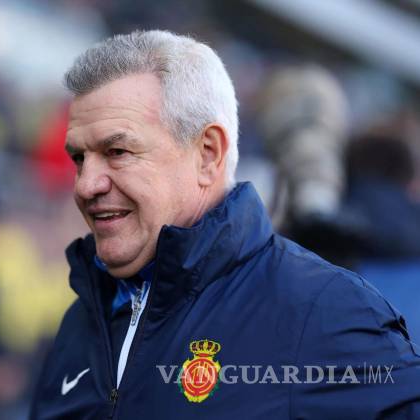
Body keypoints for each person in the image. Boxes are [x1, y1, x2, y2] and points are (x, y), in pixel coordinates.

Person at [30, 30, 420, 419]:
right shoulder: (83, 320)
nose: (85, 185)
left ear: (208, 154)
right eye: (79, 158)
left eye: (117, 151)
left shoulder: (325, 311)